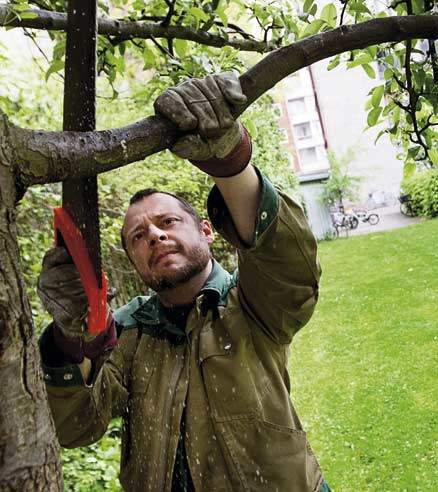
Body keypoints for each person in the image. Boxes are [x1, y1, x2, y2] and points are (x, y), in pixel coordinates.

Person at [37, 73, 328, 491]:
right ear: (134, 260)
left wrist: (229, 160)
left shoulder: (251, 305)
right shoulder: (125, 333)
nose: (154, 235)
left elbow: (289, 269)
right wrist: (71, 338)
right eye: (139, 236)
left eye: (167, 222)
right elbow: (76, 426)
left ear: (207, 231)